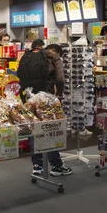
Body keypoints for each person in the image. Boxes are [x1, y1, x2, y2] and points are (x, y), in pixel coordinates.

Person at [18, 39, 72, 177]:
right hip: (46, 99)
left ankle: (37, 165)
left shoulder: (26, 56)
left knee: (34, 129)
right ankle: (56, 165)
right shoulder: (54, 57)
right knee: (51, 129)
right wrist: (59, 95)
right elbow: (60, 79)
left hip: (29, 98)